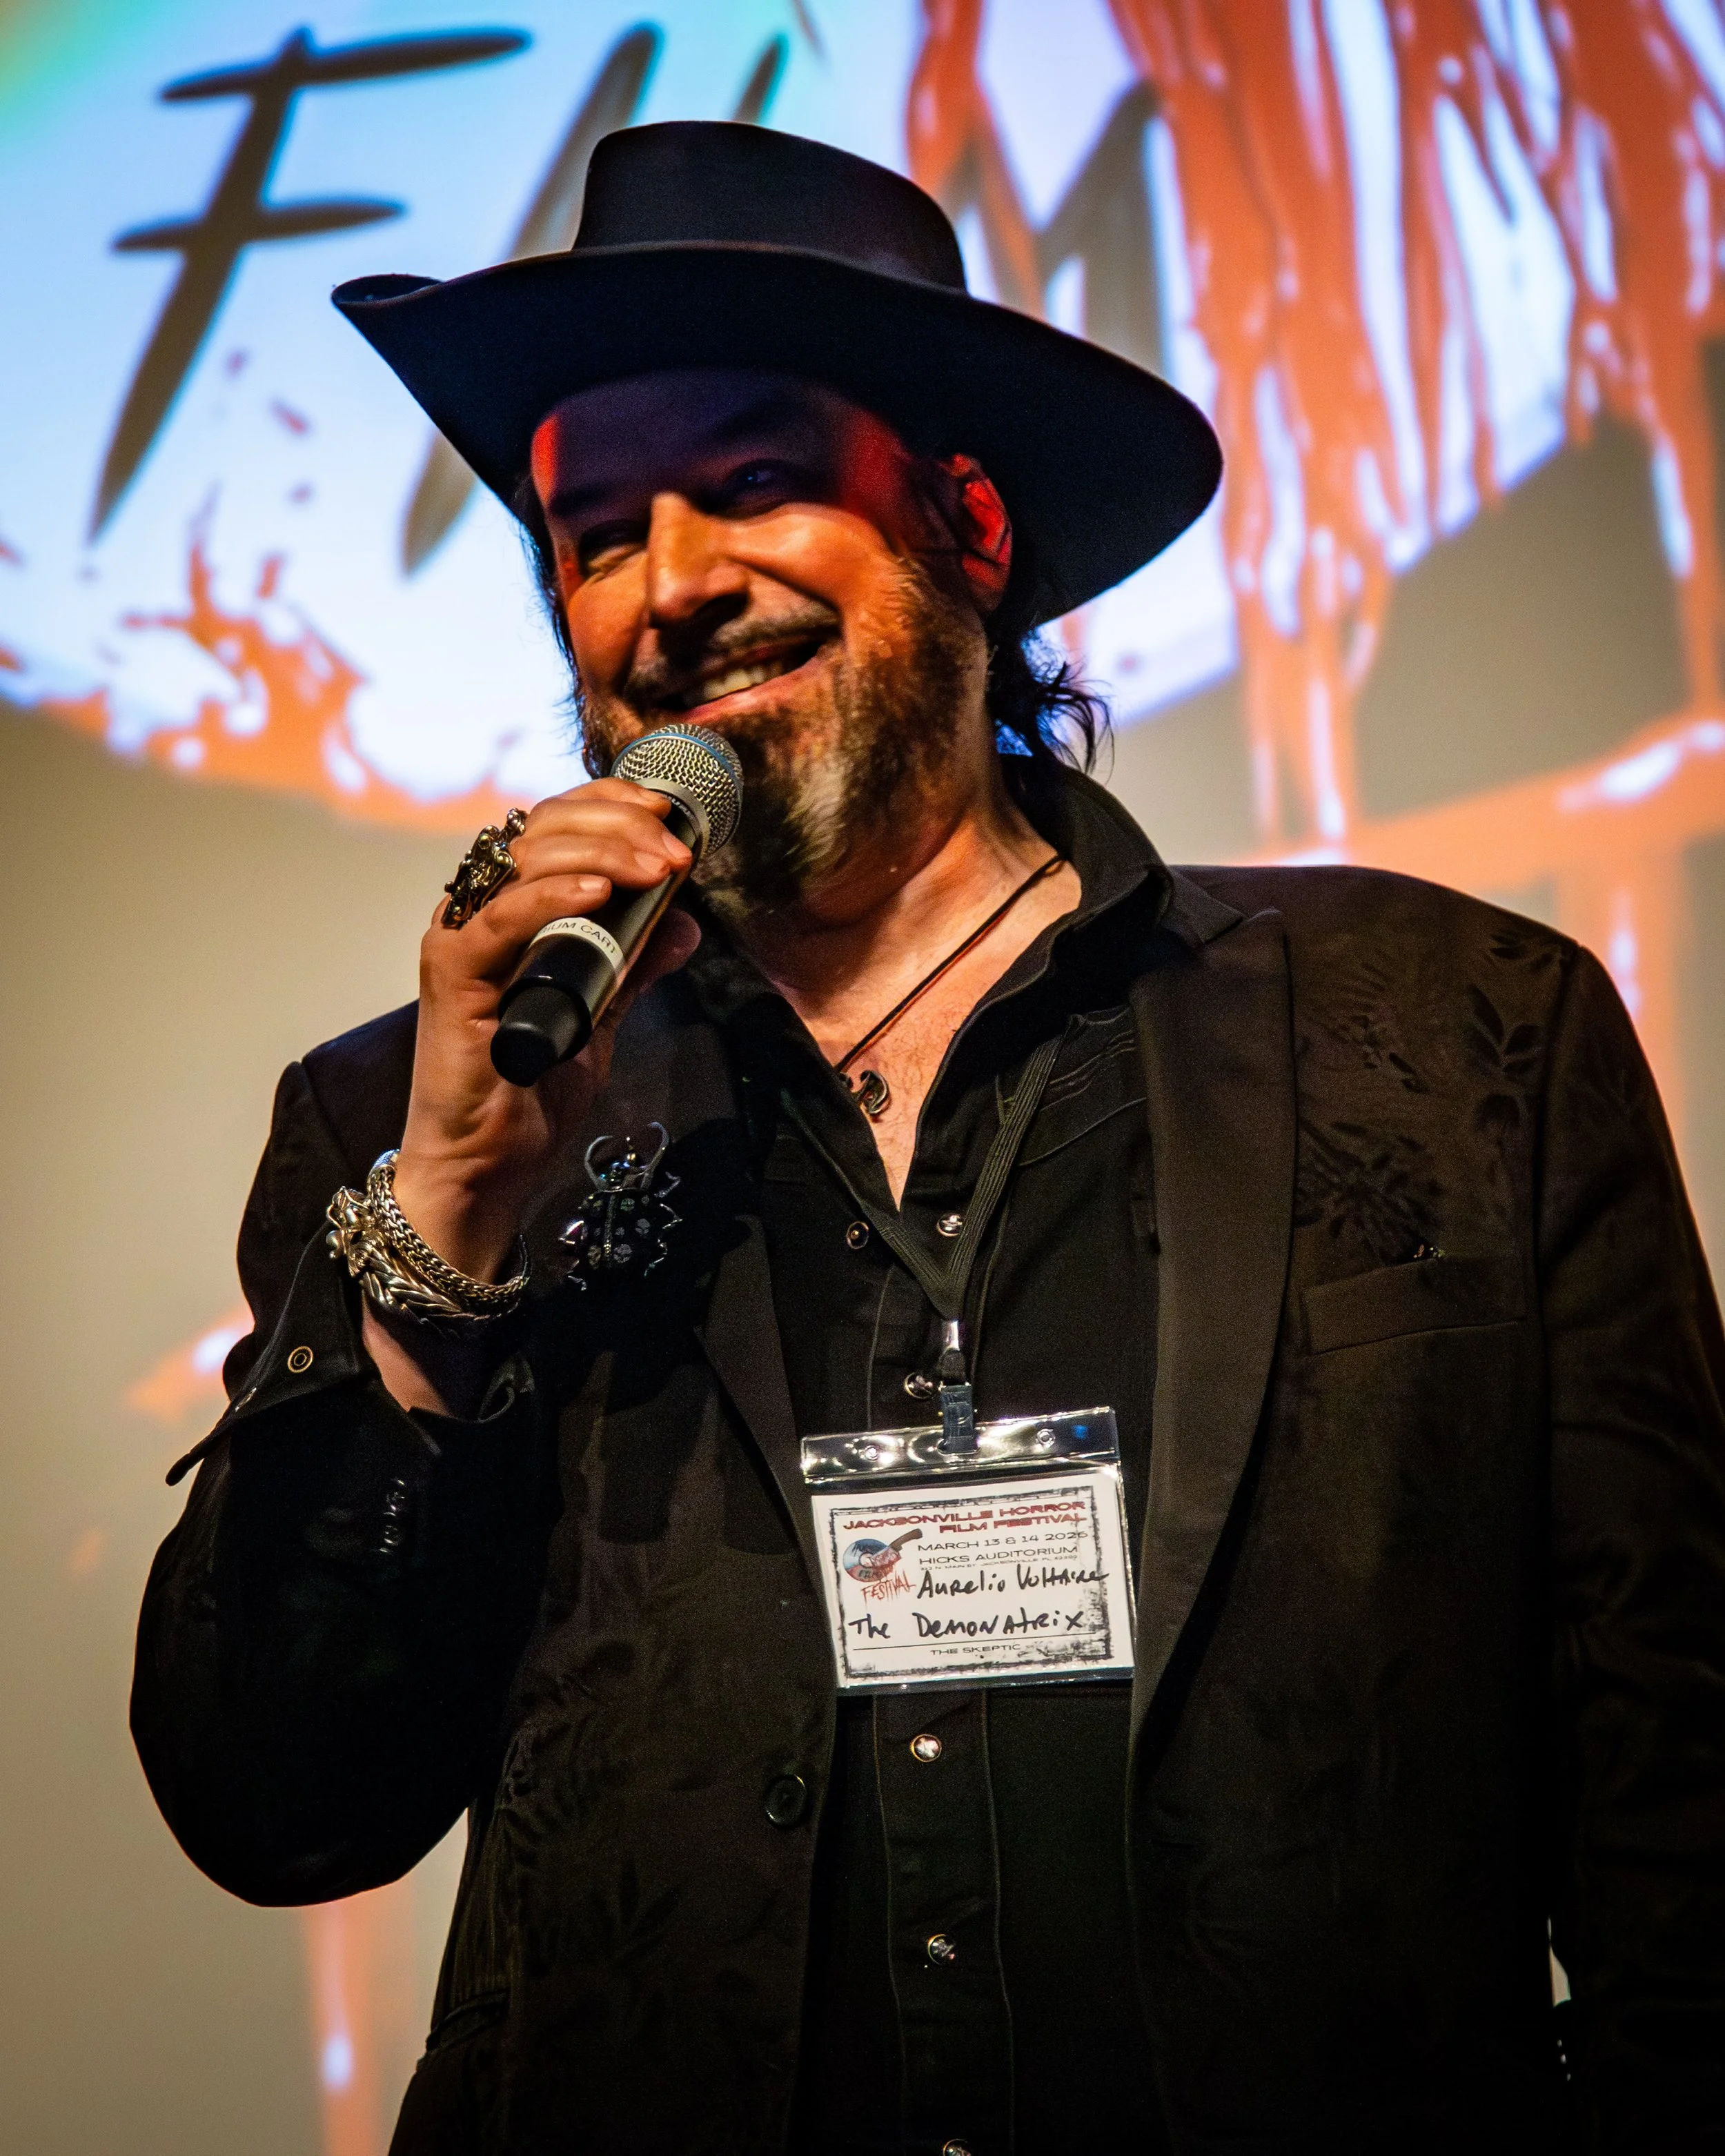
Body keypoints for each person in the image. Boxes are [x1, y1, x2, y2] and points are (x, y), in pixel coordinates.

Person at [132, 123, 1725, 2156]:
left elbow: (1681, 1804)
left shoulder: (1453, 1033)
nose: (672, 583)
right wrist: (446, 1217)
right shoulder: (415, 1121)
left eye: (754, 480)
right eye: (595, 529)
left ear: (966, 521)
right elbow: (273, 1802)